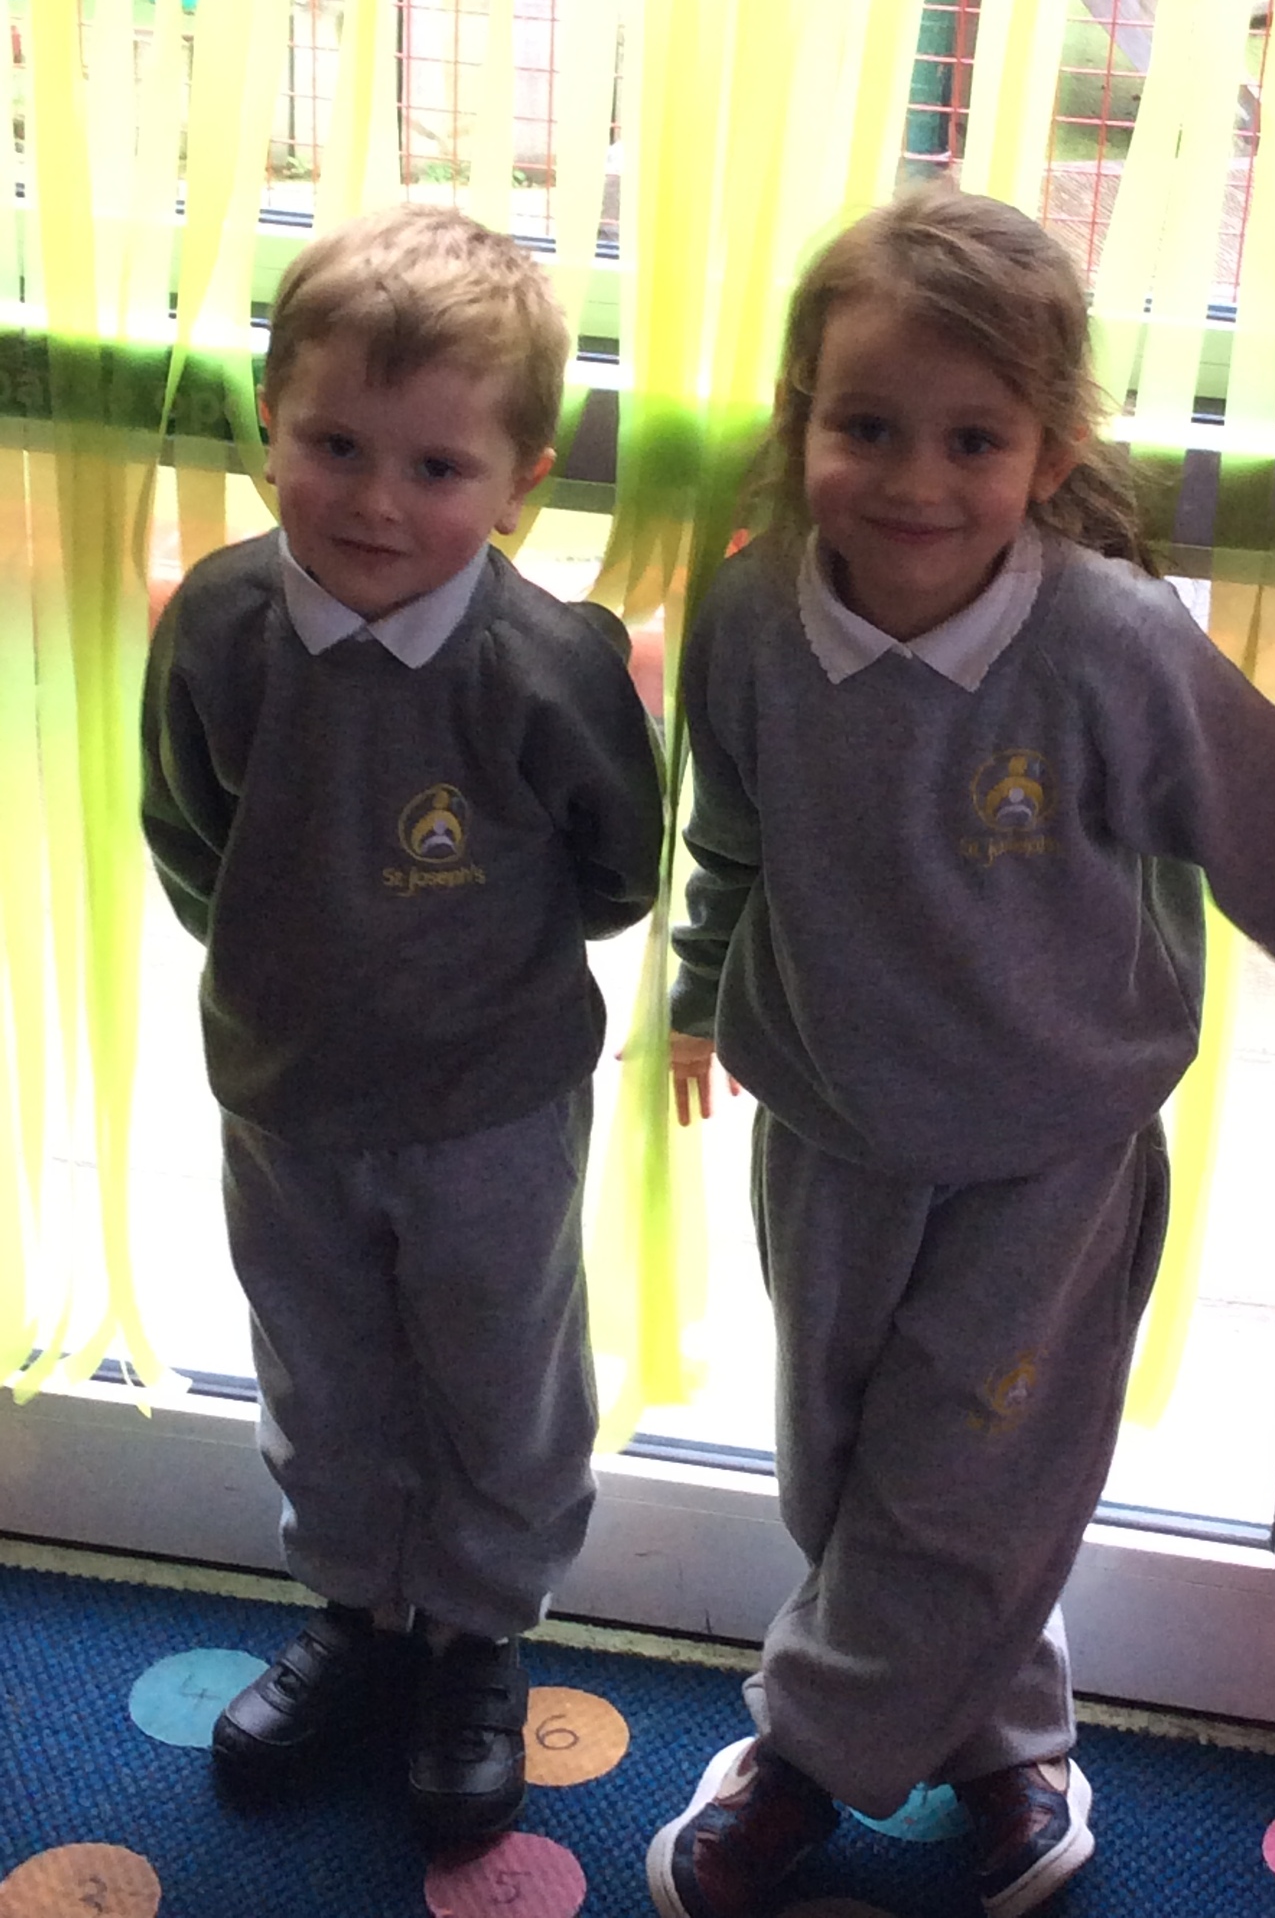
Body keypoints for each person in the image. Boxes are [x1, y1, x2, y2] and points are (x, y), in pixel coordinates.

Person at [648, 186, 1275, 1918]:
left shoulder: (1106, 642)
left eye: (970, 439)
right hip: (826, 1133)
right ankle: (1009, 1739)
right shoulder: (749, 623)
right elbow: (732, 838)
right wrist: (696, 991)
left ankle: (801, 1761)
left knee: (967, 1480)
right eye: (866, 426)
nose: (913, 479)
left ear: (1047, 452)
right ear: (801, 421)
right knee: (853, 1471)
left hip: (1047, 1151)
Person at [141, 203, 664, 1854]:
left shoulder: (548, 663)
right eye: (335, 447)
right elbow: (188, 834)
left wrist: (458, 976)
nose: (375, 501)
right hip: (287, 1098)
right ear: (270, 425)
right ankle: (362, 1617)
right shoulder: (217, 625)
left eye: (436, 467)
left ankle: (476, 1638)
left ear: (522, 476)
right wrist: (292, 972)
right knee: (323, 1374)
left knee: (502, 1380)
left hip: (491, 1111)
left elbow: (614, 868)